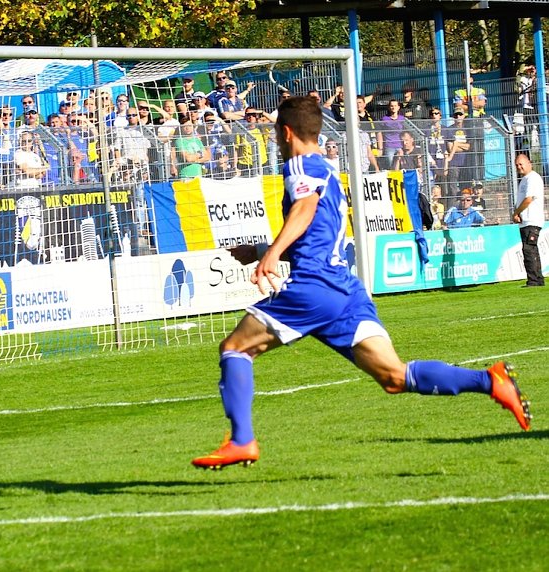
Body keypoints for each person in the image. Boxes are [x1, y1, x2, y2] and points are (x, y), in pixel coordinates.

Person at [191, 96, 531, 471]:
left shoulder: (299, 165)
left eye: (275, 133)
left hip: (314, 286)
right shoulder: (329, 173)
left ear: (286, 133)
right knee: (394, 376)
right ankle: (490, 381)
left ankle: (241, 440)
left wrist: (271, 255)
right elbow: (315, 234)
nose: (275, 140)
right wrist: (261, 249)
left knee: (236, 348)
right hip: (344, 290)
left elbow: (303, 212)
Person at [512, 154, 545, 287]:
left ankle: (534, 280)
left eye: (521, 164)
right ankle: (537, 279)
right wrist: (517, 214)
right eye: (517, 165)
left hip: (532, 219)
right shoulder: (524, 180)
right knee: (530, 250)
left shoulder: (533, 178)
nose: (519, 167)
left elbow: (528, 199)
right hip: (525, 221)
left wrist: (517, 212)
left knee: (529, 249)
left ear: (529, 163)